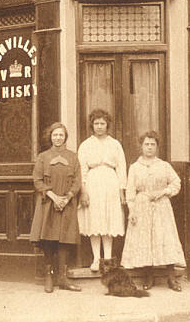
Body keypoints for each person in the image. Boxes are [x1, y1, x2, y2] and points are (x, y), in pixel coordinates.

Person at [120, 131, 185, 292]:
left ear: (157, 147)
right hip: (142, 206)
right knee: (145, 240)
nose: (149, 147)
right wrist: (132, 211)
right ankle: (149, 277)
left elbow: (176, 183)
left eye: (152, 144)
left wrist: (163, 192)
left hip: (161, 206)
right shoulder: (135, 167)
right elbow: (130, 191)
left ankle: (171, 278)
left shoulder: (163, 165)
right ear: (141, 146)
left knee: (165, 238)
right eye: (146, 144)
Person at [30, 122, 82, 293]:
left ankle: (63, 278)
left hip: (67, 203)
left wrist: (66, 198)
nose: (58, 138)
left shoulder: (73, 157)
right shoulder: (43, 157)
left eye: (61, 135)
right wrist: (53, 197)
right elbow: (37, 180)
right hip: (48, 202)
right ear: (50, 137)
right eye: (55, 135)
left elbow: (77, 181)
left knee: (64, 238)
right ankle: (49, 275)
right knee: (49, 238)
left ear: (65, 137)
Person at [77, 109, 127, 272]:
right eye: (96, 123)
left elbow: (121, 168)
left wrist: (121, 190)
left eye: (102, 123)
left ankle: (108, 259)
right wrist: (83, 191)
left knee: (108, 219)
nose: (99, 127)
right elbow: (82, 169)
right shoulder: (86, 145)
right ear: (92, 125)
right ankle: (96, 258)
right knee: (95, 219)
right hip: (92, 183)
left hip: (111, 183)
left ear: (107, 125)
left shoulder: (115, 144)